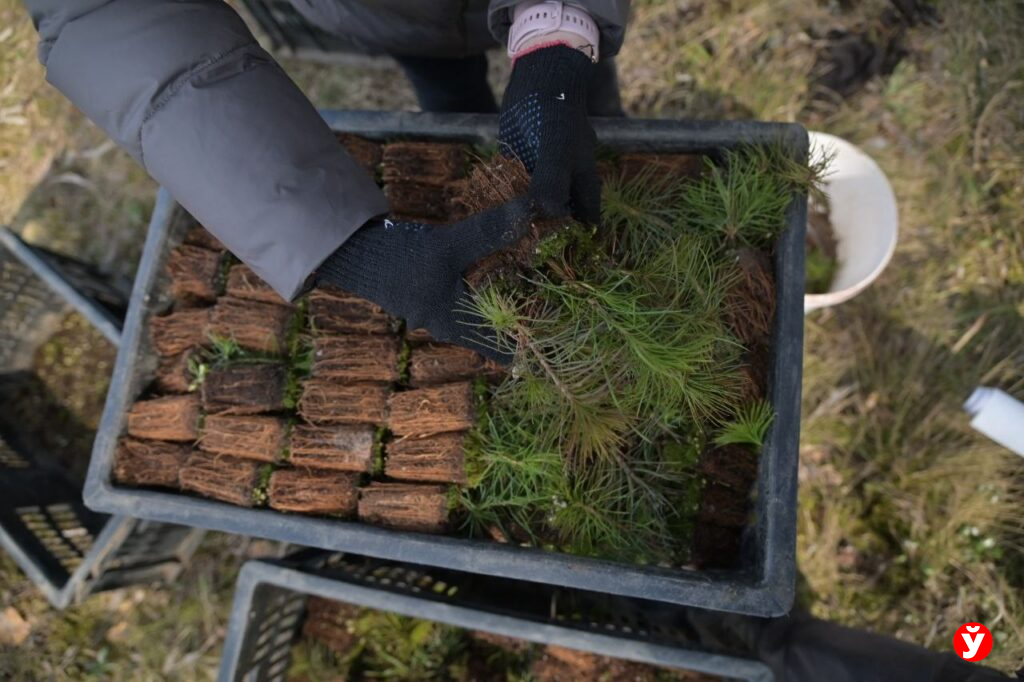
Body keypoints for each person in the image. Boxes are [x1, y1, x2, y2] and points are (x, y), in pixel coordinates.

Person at [21, 0, 630, 361]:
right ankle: (457, 88)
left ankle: (577, 90)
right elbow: (104, 12)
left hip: (554, 27)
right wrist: (329, 237)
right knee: (443, 81)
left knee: (579, 110)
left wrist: (558, 30)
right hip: (386, 10)